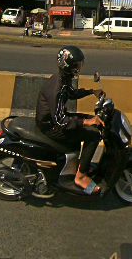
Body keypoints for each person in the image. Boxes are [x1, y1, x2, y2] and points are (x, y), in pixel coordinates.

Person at [36, 46, 105, 194]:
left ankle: (79, 165)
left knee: (92, 121)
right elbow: (60, 121)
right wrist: (85, 122)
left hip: (55, 120)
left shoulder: (63, 78)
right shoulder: (57, 88)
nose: (79, 67)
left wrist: (91, 92)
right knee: (93, 135)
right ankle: (80, 177)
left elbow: (71, 94)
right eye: (77, 65)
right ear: (68, 65)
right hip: (51, 126)